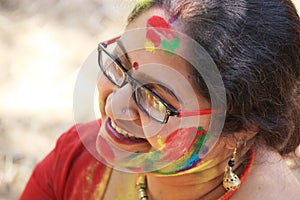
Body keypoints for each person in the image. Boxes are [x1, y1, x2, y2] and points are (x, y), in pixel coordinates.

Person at [20, 0, 300, 199]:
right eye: (120, 64)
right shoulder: (78, 160)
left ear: (240, 128)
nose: (114, 106)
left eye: (155, 99)